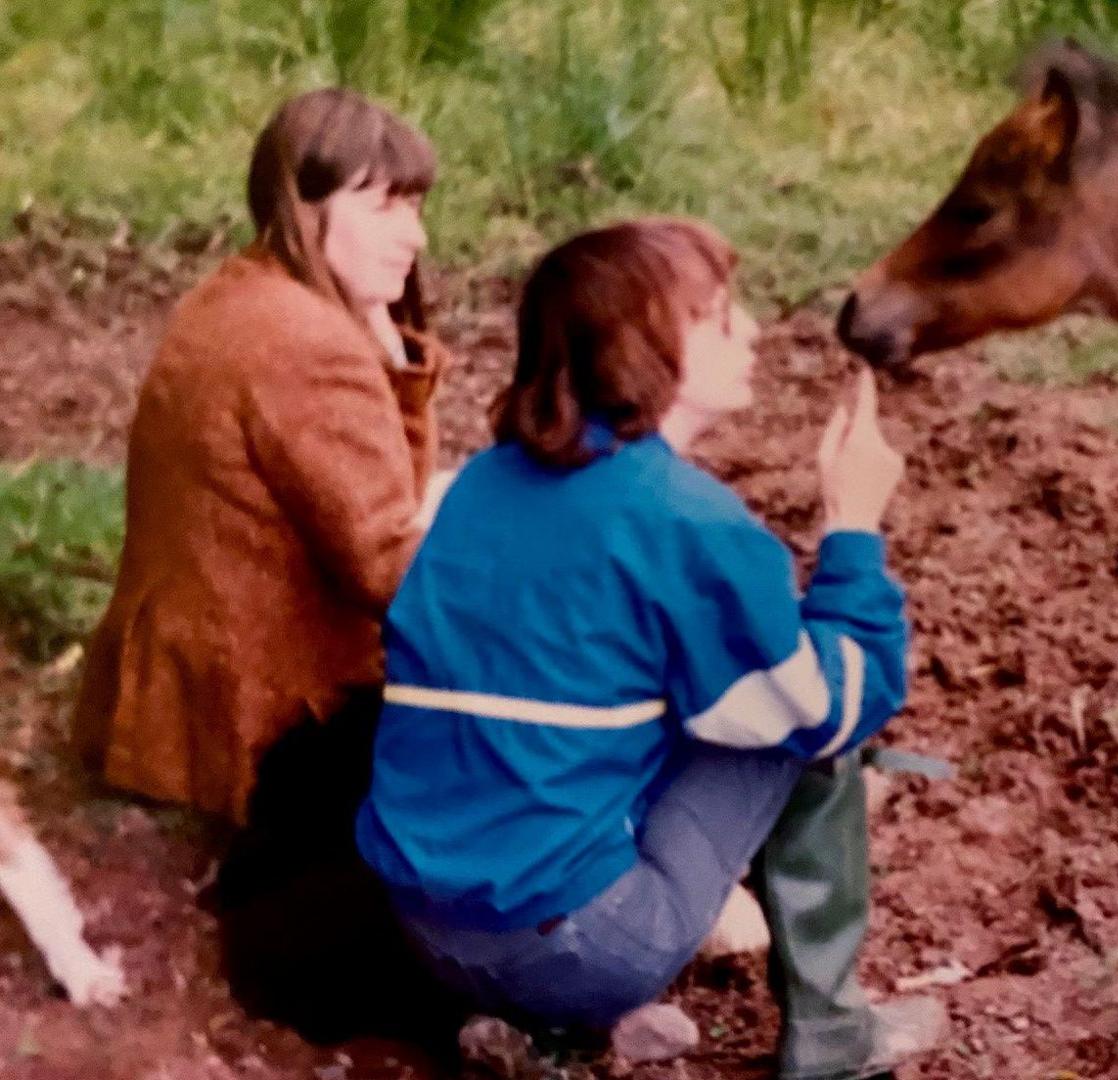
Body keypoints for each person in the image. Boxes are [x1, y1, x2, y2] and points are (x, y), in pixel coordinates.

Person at [355, 217, 944, 1078]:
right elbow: (835, 706)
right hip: (579, 950)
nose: (751, 331)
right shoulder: (684, 519)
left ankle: (528, 1035)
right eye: (717, 315)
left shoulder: (479, 483)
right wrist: (853, 528)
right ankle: (833, 1038)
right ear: (642, 344)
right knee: (797, 722)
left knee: (652, 699)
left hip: (419, 929)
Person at [70, 86, 464, 1043]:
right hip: (261, 714)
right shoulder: (304, 345)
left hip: (176, 682)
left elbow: (376, 505)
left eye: (416, 204)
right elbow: (392, 569)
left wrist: (394, 365)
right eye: (383, 204)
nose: (411, 234)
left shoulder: (243, 294)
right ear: (304, 200)